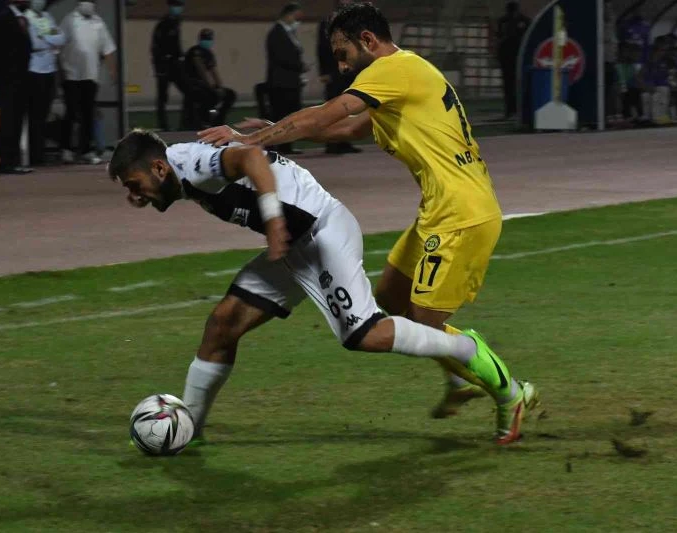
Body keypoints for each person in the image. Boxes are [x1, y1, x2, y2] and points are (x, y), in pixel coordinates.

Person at [198, 2, 536, 421]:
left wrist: (250, 141)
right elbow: (343, 128)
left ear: (368, 41)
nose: (341, 66)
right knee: (391, 297)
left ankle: (511, 393)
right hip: (441, 208)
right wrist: (272, 131)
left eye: (342, 54)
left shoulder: (391, 70)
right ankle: (458, 379)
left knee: (425, 325)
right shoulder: (403, 76)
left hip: (462, 213)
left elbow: (328, 113)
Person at [108, 129, 539, 445]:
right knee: (222, 325)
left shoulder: (191, 165)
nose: (137, 196)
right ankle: (188, 429)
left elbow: (253, 159)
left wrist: (272, 219)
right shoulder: (178, 168)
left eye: (135, 186)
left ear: (159, 168)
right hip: (292, 246)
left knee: (364, 335)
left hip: (322, 233)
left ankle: (466, 349)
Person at [59, 0, 117, 165]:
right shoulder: (69, 20)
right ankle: (66, 149)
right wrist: (60, 72)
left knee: (87, 114)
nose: (89, 5)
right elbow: (58, 45)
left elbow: (107, 49)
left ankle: (86, 150)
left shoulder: (98, 22)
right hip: (71, 75)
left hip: (90, 75)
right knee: (71, 112)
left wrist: (112, 71)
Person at [0, 0, 33, 174]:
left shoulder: (22, 19)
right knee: (8, 120)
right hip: (8, 78)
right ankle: (5, 161)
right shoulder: (1, 19)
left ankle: (14, 160)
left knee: (17, 119)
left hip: (22, 78)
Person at [317, 0, 361, 154]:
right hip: (333, 71)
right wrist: (324, 72)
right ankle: (331, 143)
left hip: (349, 70)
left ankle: (345, 141)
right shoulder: (327, 22)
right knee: (332, 108)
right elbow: (322, 48)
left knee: (347, 107)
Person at [25, 0, 65, 166]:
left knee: (44, 114)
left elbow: (61, 38)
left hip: (50, 69)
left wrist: (45, 38)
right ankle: (33, 156)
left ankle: (40, 153)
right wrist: (50, 40)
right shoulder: (27, 17)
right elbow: (34, 42)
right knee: (34, 115)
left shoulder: (48, 17)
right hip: (34, 70)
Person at [266, 3, 308, 155]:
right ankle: (273, 146)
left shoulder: (289, 33)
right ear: (288, 15)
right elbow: (282, 57)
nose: (297, 20)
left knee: (291, 115)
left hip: (291, 81)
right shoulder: (276, 33)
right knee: (280, 115)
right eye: (296, 16)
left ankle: (286, 146)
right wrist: (300, 66)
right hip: (281, 82)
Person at [182, 28, 237, 129]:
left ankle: (219, 120)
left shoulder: (208, 53)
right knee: (209, 95)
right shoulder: (195, 51)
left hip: (206, 85)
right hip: (194, 85)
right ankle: (204, 121)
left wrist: (220, 86)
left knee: (230, 94)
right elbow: (201, 70)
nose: (207, 41)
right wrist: (211, 87)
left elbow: (213, 71)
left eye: (209, 39)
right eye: (205, 39)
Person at [151, 0, 186, 131]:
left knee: (188, 90)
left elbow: (176, 45)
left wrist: (181, 58)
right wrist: (159, 67)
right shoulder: (164, 24)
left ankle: (187, 122)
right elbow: (157, 47)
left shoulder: (176, 22)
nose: (178, 9)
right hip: (164, 65)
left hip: (174, 64)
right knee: (162, 97)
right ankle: (163, 125)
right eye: (176, 6)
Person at [495, 1, 530, 119]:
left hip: (518, 57)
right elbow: (499, 37)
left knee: (516, 84)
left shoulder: (524, 21)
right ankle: (510, 110)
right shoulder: (503, 21)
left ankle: (517, 110)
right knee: (508, 85)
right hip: (507, 56)